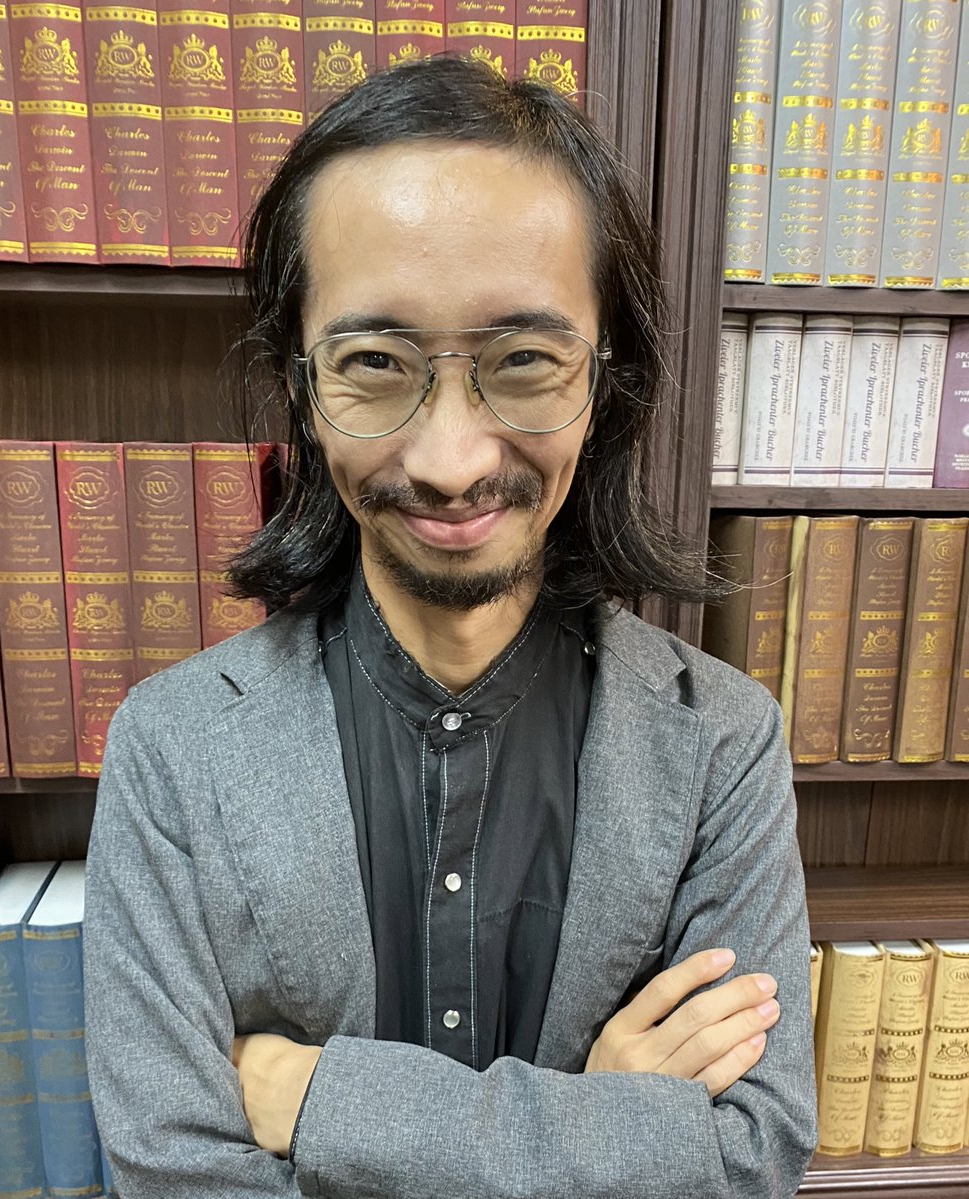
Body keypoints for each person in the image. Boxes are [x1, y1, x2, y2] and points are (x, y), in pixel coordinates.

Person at [83, 56, 818, 1198]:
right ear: (302, 385)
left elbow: (750, 1158)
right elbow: (172, 1175)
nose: (450, 459)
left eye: (524, 361)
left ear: (604, 378)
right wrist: (604, 1115)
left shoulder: (721, 743)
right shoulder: (172, 747)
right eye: (376, 364)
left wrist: (321, 1098)